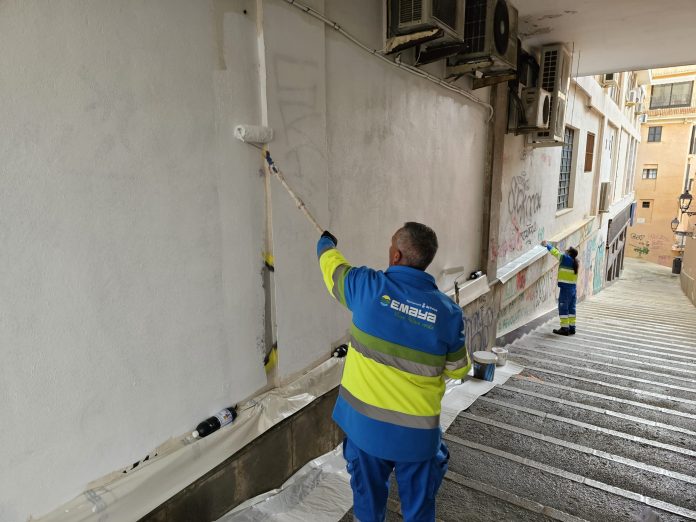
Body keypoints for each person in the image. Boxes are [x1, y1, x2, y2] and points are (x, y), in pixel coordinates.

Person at [316, 222, 471, 522]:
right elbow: (458, 369)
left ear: (397, 255)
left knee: (368, 506)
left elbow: (331, 269)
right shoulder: (448, 313)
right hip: (417, 438)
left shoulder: (366, 287)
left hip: (366, 432)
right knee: (418, 509)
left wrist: (325, 244)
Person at [541, 240, 579, 336]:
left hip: (565, 289)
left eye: (567, 250)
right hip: (573, 289)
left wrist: (547, 245)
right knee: (571, 309)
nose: (565, 251)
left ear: (569, 253)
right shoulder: (575, 262)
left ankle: (564, 328)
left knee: (563, 308)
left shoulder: (565, 258)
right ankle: (572, 328)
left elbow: (556, 253)